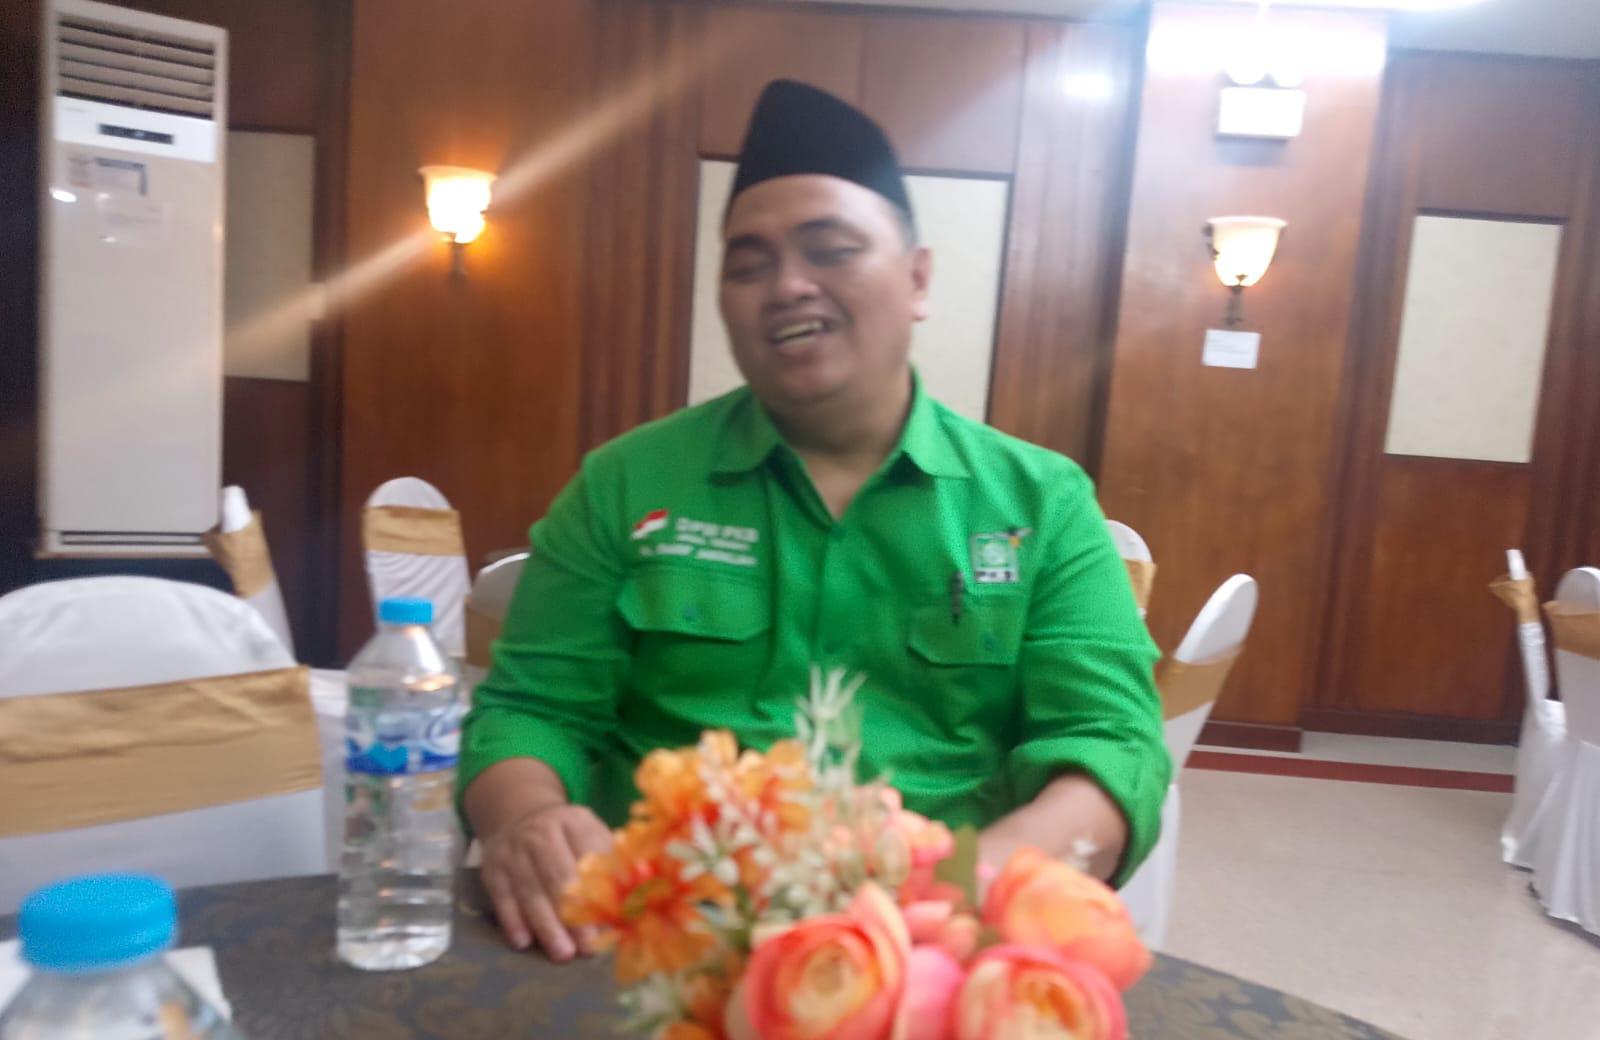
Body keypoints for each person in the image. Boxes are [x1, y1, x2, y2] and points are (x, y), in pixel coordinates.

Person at [459, 79, 1169, 960]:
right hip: (658, 944)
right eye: (748, 265)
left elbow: (1111, 745)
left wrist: (963, 891)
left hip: (933, 951)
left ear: (917, 279)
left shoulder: (1040, 503)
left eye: (830, 251)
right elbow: (529, 711)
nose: (787, 287)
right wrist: (524, 816)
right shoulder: (625, 484)